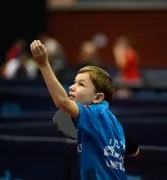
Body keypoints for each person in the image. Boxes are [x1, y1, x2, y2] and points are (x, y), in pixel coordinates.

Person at [30, 40, 139, 180]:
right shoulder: (113, 122)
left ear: (98, 97)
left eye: (81, 84)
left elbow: (62, 101)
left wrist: (43, 64)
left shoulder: (94, 113)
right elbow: (135, 150)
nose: (72, 87)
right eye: (74, 82)